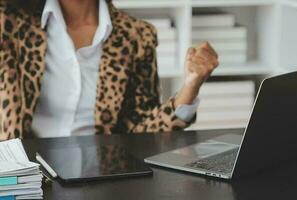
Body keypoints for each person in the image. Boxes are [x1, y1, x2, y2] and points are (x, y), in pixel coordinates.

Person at [0, 0, 219, 140]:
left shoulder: (137, 35)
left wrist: (190, 87)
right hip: (22, 179)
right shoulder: (8, 21)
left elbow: (143, 131)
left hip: (99, 177)